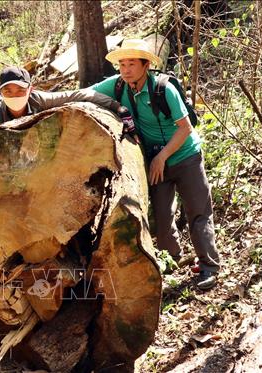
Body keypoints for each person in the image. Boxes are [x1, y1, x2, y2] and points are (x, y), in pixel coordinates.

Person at [91, 39, 220, 290]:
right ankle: (172, 262)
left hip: (185, 157)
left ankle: (209, 267)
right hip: (155, 163)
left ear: (146, 65)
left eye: (131, 64)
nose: (125, 69)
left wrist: (162, 157)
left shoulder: (164, 89)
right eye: (122, 64)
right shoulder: (117, 86)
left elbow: (185, 128)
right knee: (161, 218)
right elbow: (86, 92)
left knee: (198, 213)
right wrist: (32, 99)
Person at [0, 66, 136, 136]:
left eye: (20, 90)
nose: (14, 95)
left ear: (30, 90)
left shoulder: (38, 101)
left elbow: (79, 95)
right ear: (0, 93)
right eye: (7, 91)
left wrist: (117, 106)